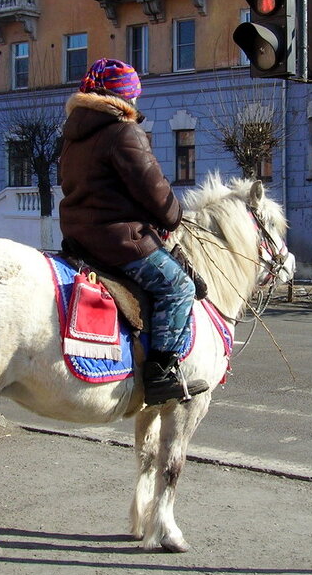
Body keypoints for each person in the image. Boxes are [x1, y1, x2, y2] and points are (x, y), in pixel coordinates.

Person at [58, 58, 208, 406]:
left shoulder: (73, 134)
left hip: (80, 236)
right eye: (135, 96)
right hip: (119, 241)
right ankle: (160, 373)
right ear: (126, 97)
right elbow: (153, 189)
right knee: (178, 286)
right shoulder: (124, 131)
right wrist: (173, 215)